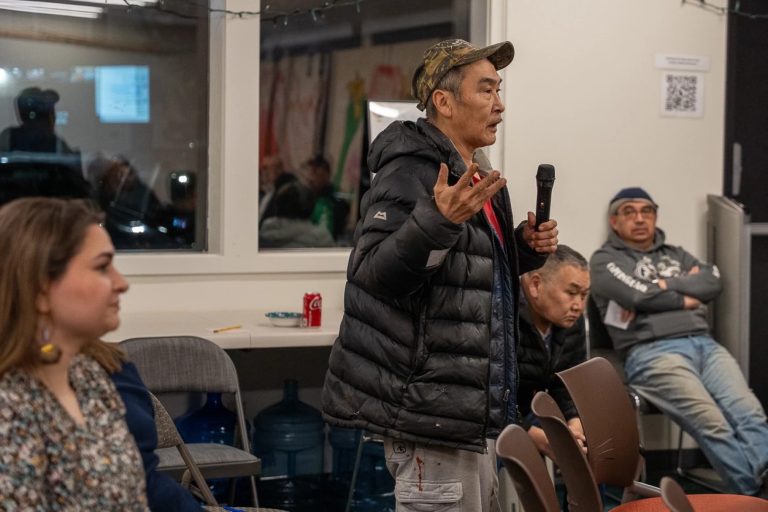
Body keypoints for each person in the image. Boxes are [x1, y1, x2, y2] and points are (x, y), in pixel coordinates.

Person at [321, 38, 559, 511]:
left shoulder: (476, 174)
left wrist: (521, 249)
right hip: (429, 409)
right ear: (444, 102)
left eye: (499, 89)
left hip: (467, 409)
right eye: (486, 90)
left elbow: (465, 271)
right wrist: (438, 221)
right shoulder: (411, 171)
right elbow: (375, 276)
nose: (500, 104)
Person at [590, 186, 768, 496]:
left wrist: (661, 284)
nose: (640, 219)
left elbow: (712, 282)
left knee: (749, 412)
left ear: (656, 216)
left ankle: (762, 483)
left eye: (647, 211)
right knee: (712, 423)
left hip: (705, 345)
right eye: (629, 212)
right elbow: (637, 295)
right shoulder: (605, 260)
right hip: (652, 352)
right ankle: (753, 494)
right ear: (614, 221)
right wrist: (686, 296)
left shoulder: (676, 254)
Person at [0, 197, 149, 509]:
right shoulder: (9, 407)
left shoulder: (89, 376)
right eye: (102, 267)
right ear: (41, 289)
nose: (122, 283)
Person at [518, 244, 588, 461]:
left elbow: (568, 384)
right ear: (535, 285)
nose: (578, 306)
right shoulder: (502, 314)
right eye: (571, 293)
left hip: (534, 411)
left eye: (584, 295)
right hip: (498, 417)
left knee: (593, 442)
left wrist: (575, 422)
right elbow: (491, 397)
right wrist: (535, 436)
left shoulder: (571, 320)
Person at [302, 154, 350, 240]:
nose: (310, 178)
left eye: (315, 172)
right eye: (310, 173)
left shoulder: (336, 201)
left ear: (326, 174)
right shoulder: (305, 197)